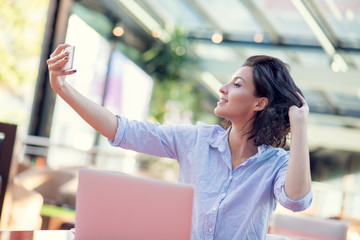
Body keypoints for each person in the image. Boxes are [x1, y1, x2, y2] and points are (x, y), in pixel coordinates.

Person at [47, 44, 312, 239]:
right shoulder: (197, 140)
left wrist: (299, 125)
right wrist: (63, 88)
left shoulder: (276, 164)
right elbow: (123, 130)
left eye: (237, 84)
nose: (223, 88)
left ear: (259, 103)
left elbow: (296, 201)